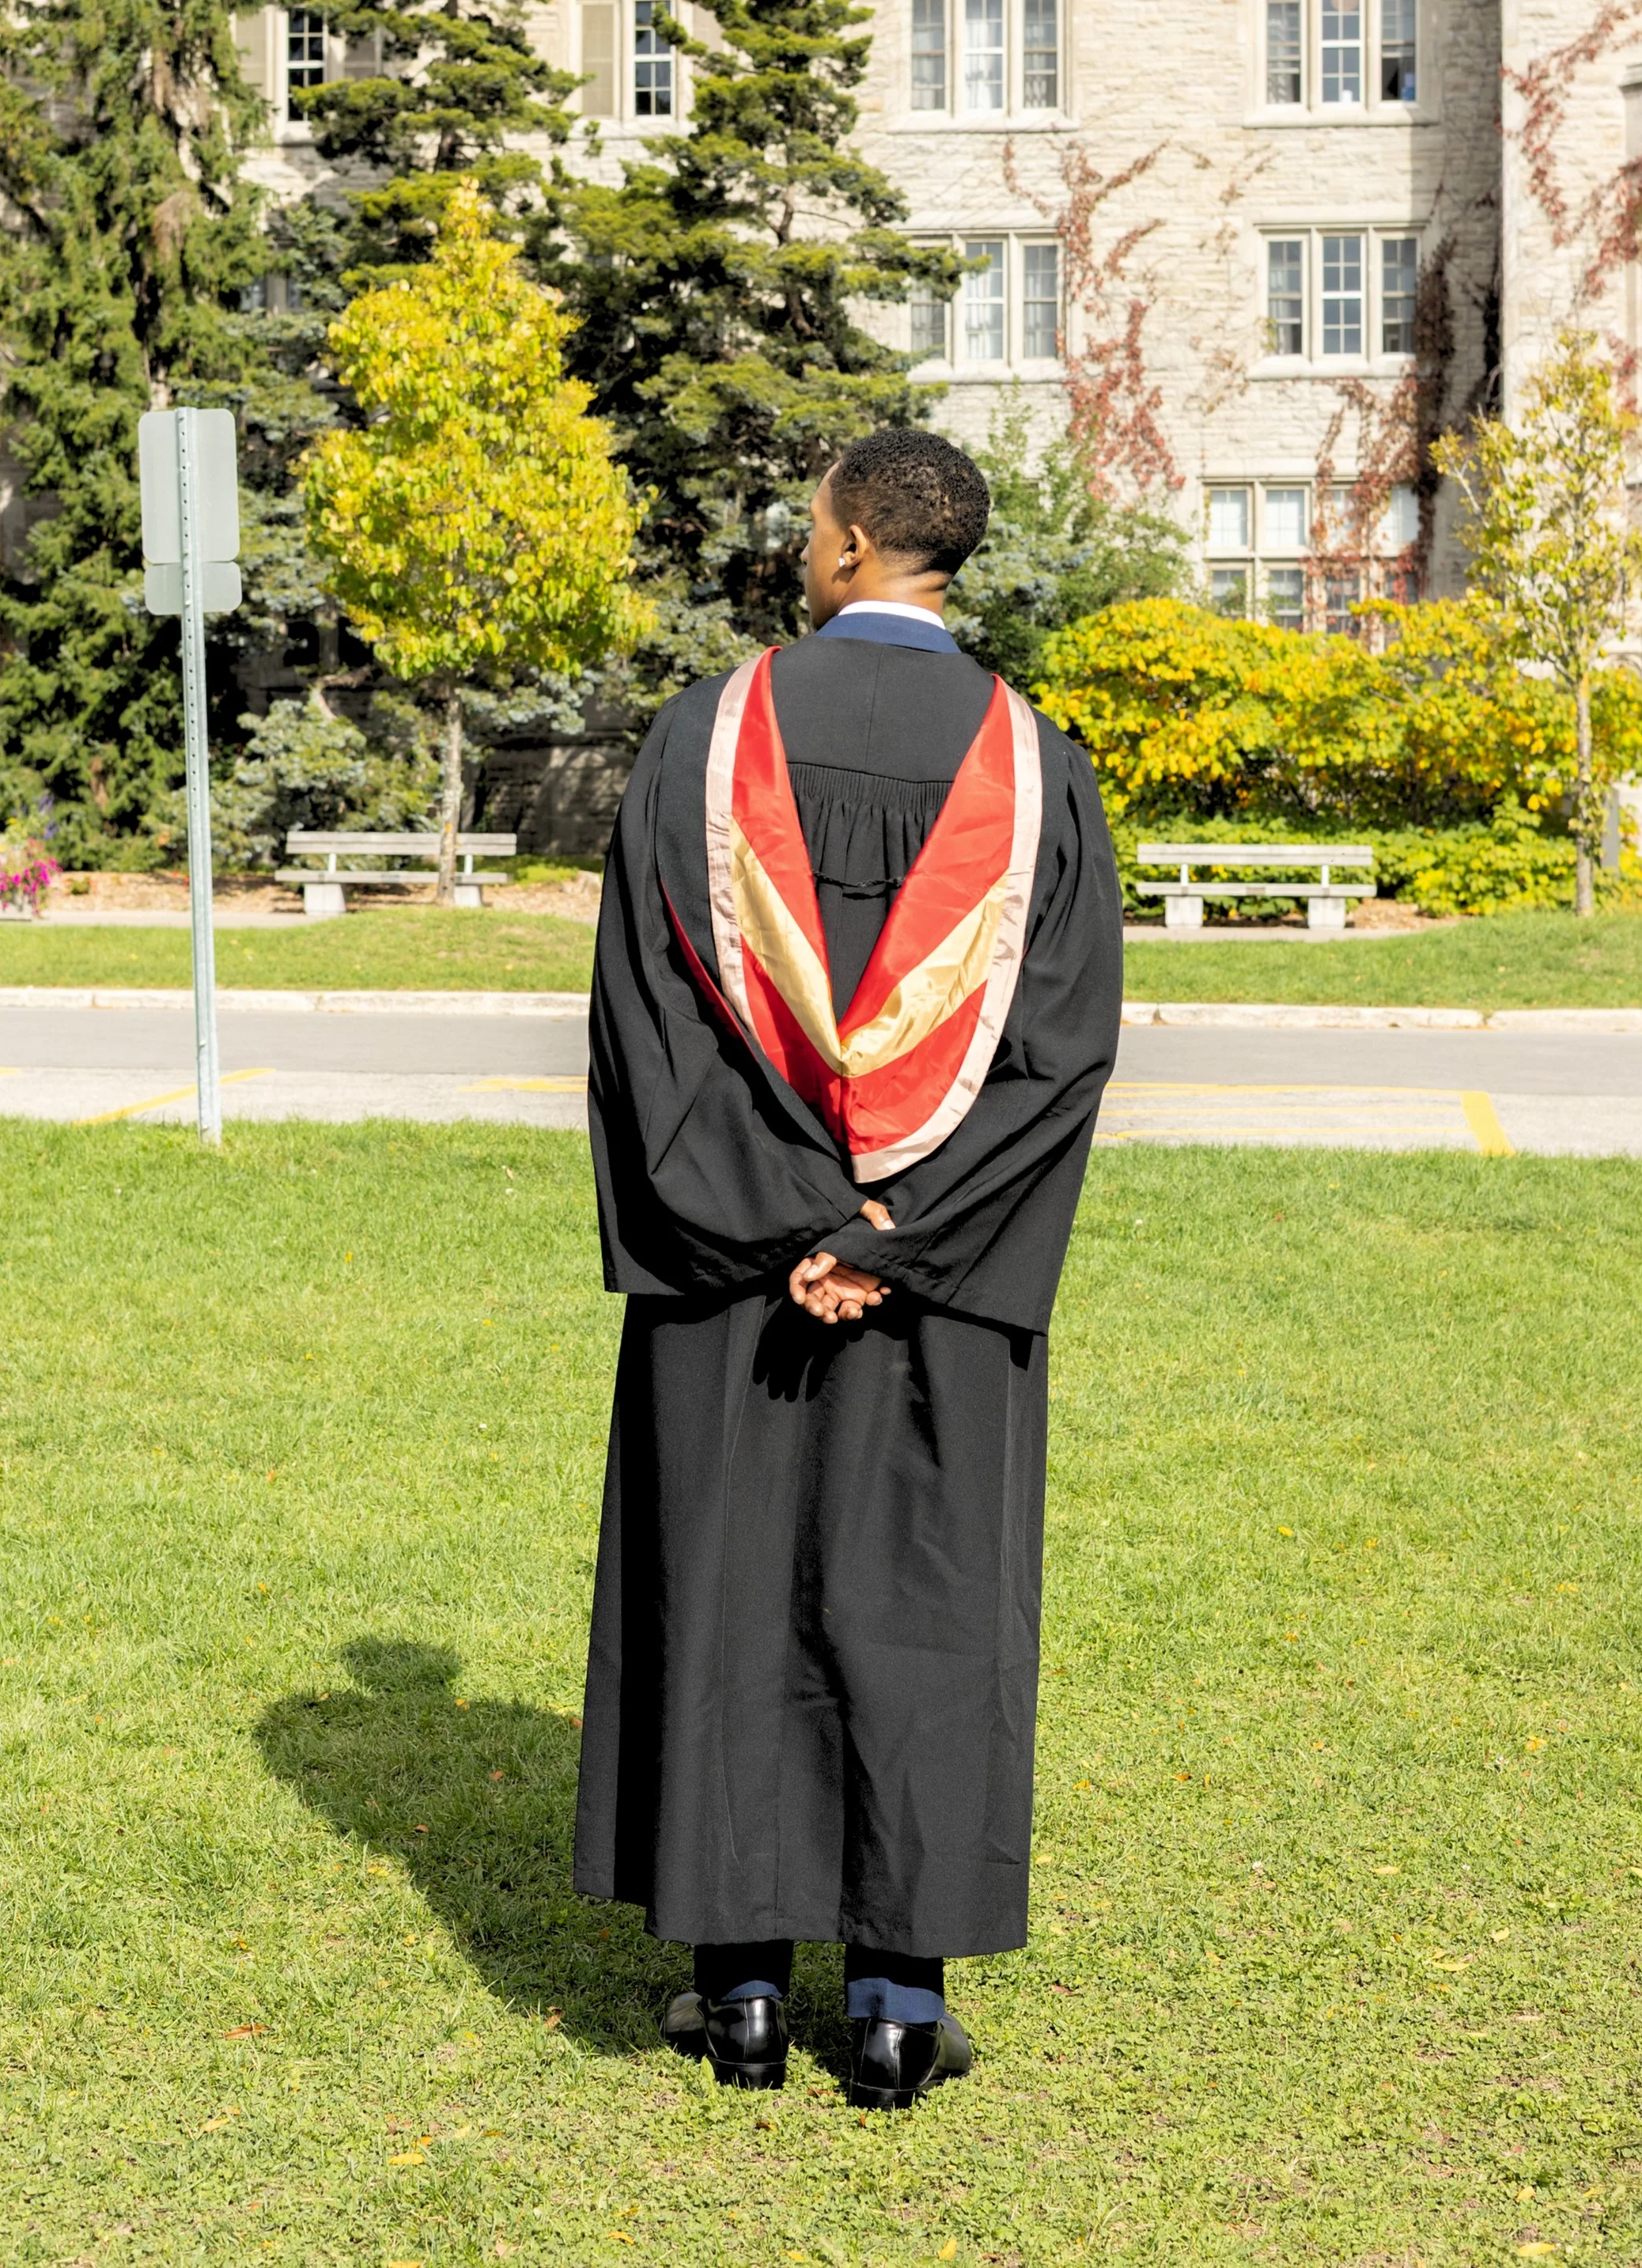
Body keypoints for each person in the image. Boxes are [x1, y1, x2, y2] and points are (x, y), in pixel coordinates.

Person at [574, 426, 1122, 2108]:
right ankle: (891, 2004)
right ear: (944, 563)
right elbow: (1058, 1053)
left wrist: (776, 1228)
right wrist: (900, 1235)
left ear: (843, 547)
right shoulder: (1040, 769)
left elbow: (650, 1033)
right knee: (925, 1596)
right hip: (940, 1284)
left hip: (732, 1274)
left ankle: (736, 1993)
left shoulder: (700, 742)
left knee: (728, 1583)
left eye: (807, 520)